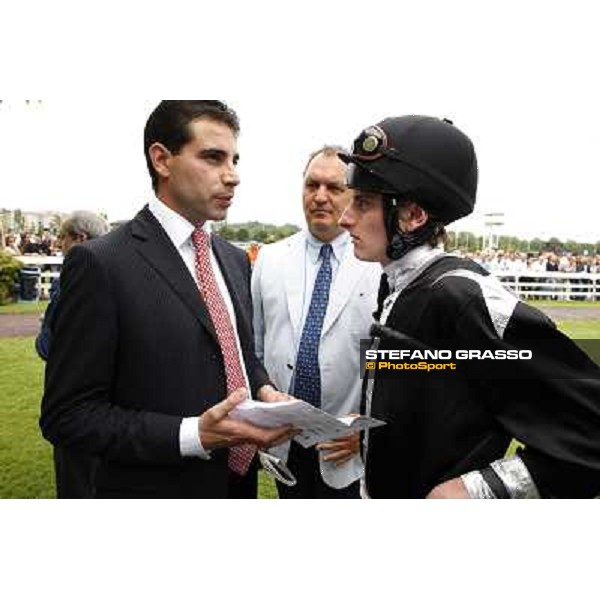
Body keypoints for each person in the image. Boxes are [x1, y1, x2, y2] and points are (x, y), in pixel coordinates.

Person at [40, 101, 294, 499]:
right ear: (161, 159)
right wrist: (193, 435)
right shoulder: (101, 264)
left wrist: (263, 390)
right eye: (213, 158)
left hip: (237, 487)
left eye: (235, 159)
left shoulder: (233, 259)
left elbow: (239, 354)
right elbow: (68, 415)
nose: (233, 176)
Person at [338, 115, 600, 498]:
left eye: (362, 203)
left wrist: (477, 490)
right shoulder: (394, 284)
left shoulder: (461, 297)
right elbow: (433, 402)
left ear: (413, 216)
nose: (346, 218)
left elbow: (590, 429)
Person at [252, 146, 381, 498]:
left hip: (348, 449)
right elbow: (256, 349)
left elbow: (390, 360)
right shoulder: (270, 259)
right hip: (283, 443)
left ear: (355, 194)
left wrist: (369, 427)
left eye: (334, 188)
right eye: (312, 185)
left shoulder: (379, 264)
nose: (320, 197)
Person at [36, 211, 110, 498]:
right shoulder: (125, 268)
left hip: (76, 403)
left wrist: (45, 332)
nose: (60, 244)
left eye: (62, 238)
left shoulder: (74, 275)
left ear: (78, 238)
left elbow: (50, 346)